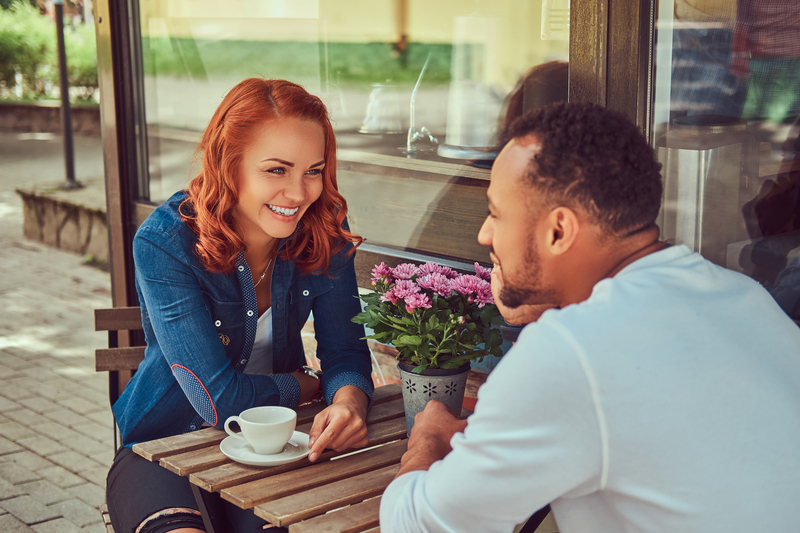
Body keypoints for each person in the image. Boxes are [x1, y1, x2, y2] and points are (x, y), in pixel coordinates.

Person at [379, 101, 800, 533]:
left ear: (558, 231)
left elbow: (418, 526)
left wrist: (426, 440)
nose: (485, 234)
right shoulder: (742, 295)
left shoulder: (573, 351)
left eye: (496, 213)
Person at [106, 78, 374, 533]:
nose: (299, 193)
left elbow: (346, 352)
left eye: (313, 170)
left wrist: (349, 402)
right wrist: (305, 385)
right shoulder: (166, 242)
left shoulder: (325, 227)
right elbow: (218, 401)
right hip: (163, 446)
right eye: (276, 170)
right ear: (229, 165)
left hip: (278, 444)